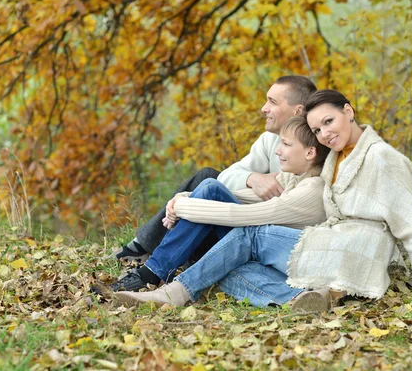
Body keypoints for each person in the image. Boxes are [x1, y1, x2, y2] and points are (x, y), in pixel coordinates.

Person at [112, 89, 412, 310]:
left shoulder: (382, 158)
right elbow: (249, 193)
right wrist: (184, 198)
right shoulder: (335, 156)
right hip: (334, 245)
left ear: (349, 111)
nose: (325, 133)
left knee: (248, 235)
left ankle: (173, 294)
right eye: (317, 129)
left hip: (356, 250)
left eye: (329, 122)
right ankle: (297, 299)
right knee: (225, 260)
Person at [106, 116, 330, 292]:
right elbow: (240, 196)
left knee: (210, 190)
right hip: (248, 245)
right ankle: (152, 270)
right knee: (211, 185)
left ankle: (151, 273)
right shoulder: (292, 177)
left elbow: (244, 215)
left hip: (261, 254)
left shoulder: (312, 189)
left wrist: (182, 207)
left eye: (286, 145)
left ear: (310, 152)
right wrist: (182, 198)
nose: (278, 151)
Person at [112, 76, 317, 262]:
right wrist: (253, 178)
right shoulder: (269, 140)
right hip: (245, 223)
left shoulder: (315, 149)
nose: (264, 108)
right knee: (207, 177)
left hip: (270, 235)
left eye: (272, 102)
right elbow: (226, 176)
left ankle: (149, 252)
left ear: (298, 111)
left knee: (207, 189)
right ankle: (145, 247)